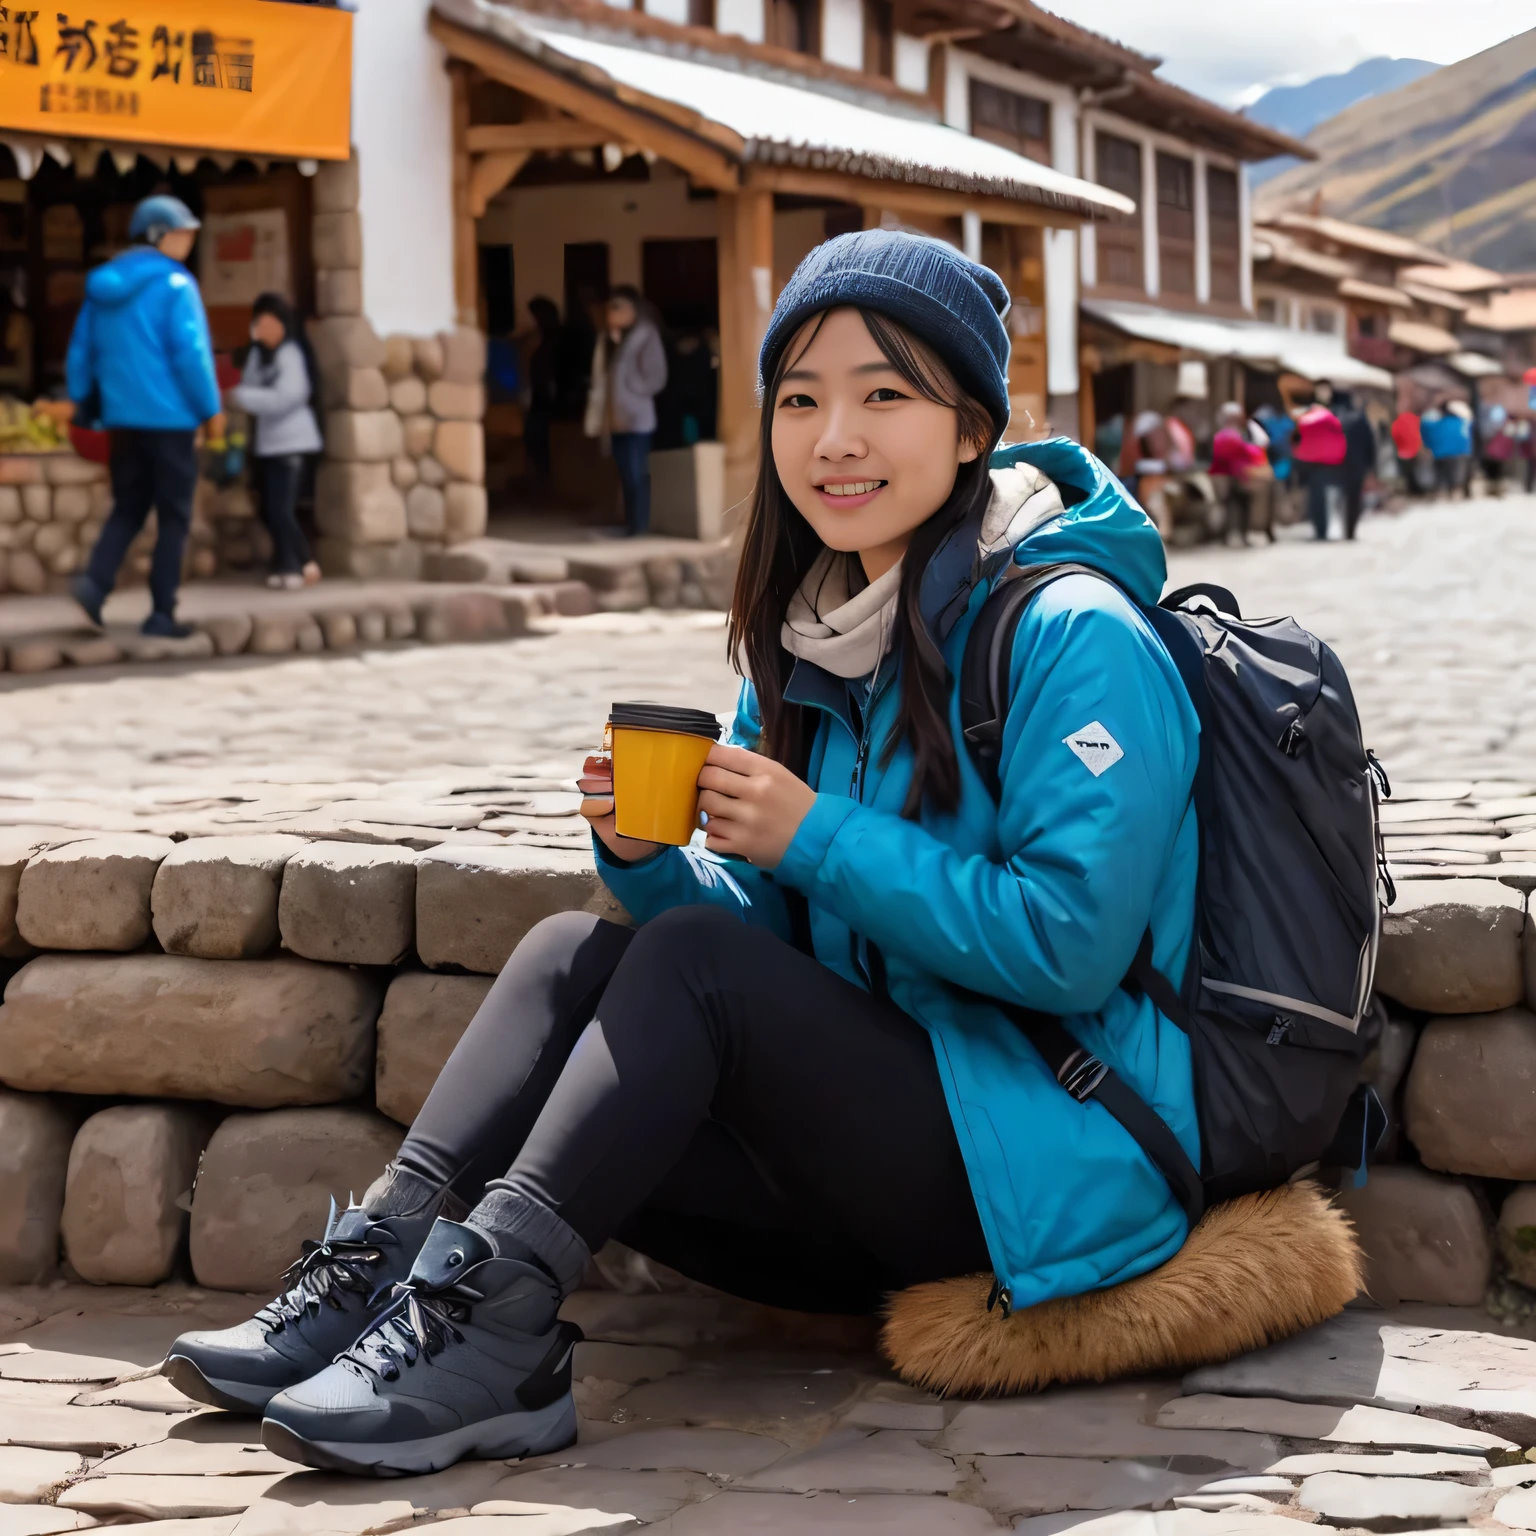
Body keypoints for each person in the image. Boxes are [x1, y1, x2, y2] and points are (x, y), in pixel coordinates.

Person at [165, 230, 1200, 1479]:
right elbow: (761, 930)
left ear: (973, 429)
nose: (835, 439)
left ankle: (493, 1338)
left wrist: (814, 834)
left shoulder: (1076, 633)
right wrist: (650, 860)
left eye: (885, 395)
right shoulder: (817, 635)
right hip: (853, 1175)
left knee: (695, 964)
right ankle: (378, 1267)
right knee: (574, 951)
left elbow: (1071, 946)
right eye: (802, 399)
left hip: (1038, 1175)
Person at [66, 194, 222, 637]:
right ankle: (161, 612)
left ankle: (95, 584)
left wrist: (85, 401)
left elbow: (81, 353)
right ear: (160, 235)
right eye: (183, 233)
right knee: (174, 518)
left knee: (128, 507)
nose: (189, 241)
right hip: (171, 421)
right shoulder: (176, 286)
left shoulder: (101, 288)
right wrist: (210, 409)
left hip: (123, 420)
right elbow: (191, 355)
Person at [226, 293, 322, 591]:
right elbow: (250, 386)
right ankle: (286, 563)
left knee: (282, 508)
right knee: (269, 508)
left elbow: (287, 397)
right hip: (268, 444)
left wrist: (241, 397)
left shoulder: (291, 354)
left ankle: (302, 562)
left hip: (293, 443)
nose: (264, 328)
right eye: (259, 321)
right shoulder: (257, 355)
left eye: (270, 321)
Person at [585, 284, 667, 535]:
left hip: (637, 417)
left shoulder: (646, 333)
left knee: (636, 473)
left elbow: (656, 376)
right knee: (624, 473)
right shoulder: (613, 338)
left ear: (633, 310)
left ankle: (639, 526)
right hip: (616, 419)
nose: (612, 313)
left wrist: (633, 388)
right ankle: (631, 523)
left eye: (618, 308)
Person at [1210, 401, 1269, 545]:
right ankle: (1229, 535)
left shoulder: (1242, 431)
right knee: (1231, 506)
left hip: (1240, 475)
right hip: (1229, 476)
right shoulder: (1226, 435)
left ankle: (1238, 535)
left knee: (1241, 505)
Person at [1293, 394, 1348, 540]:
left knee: (1316, 499)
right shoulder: (1331, 419)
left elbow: (1301, 426)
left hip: (1312, 463)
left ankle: (1320, 530)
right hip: (1329, 463)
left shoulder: (1310, 418)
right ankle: (1322, 530)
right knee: (1324, 498)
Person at [521, 296, 561, 485]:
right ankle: (539, 477)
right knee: (532, 436)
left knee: (538, 436)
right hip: (536, 394)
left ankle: (544, 479)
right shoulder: (536, 338)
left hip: (545, 396)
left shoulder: (552, 340)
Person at [1331, 388, 1377, 539]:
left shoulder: (1331, 417)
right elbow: (1369, 443)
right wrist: (1371, 466)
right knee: (1354, 498)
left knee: (1337, 496)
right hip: (1357, 464)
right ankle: (1350, 529)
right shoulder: (1360, 417)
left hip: (1334, 463)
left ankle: (1336, 525)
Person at [1423, 401, 1472, 500]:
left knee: (1441, 474)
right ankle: (1455, 492)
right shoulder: (1461, 422)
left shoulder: (1436, 423)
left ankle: (1441, 493)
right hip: (1459, 452)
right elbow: (1467, 437)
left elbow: (1426, 433)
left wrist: (1429, 446)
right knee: (1456, 474)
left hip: (1440, 452)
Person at [1390, 408, 1423, 498]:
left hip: (1403, 451)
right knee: (1415, 471)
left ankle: (1411, 489)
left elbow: (1395, 436)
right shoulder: (1415, 420)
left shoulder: (1396, 423)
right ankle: (1417, 489)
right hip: (1414, 450)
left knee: (1407, 473)